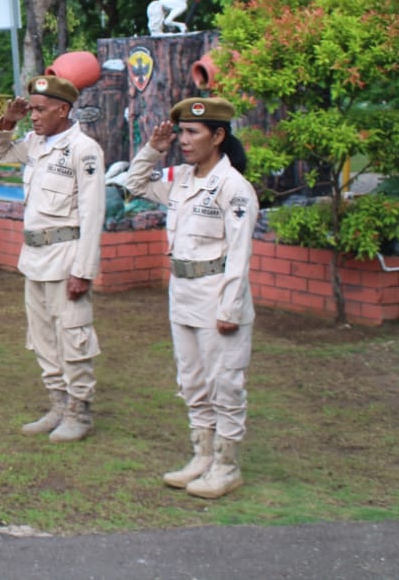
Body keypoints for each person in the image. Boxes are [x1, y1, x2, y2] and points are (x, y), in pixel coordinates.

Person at [124, 97, 258, 499]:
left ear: (218, 136)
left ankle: (226, 464)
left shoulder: (233, 187)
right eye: (180, 131)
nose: (183, 140)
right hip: (182, 295)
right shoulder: (182, 178)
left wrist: (231, 308)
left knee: (225, 385)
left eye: (192, 132)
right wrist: (153, 148)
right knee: (193, 382)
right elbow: (134, 184)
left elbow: (240, 254)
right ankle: (201, 456)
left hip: (216, 297)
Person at [0, 74, 106, 442]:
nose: (34, 116)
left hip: (66, 256)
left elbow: (92, 212)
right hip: (35, 257)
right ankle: (57, 403)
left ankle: (79, 411)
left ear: (63, 109)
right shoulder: (36, 143)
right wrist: (8, 122)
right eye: (31, 109)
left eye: (40, 110)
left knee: (72, 335)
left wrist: (83, 270)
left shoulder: (83, 149)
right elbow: (1, 154)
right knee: (42, 337)